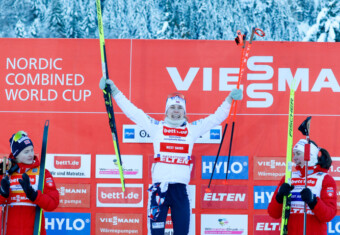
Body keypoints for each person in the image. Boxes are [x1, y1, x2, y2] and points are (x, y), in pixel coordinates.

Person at [100, 78, 243, 235]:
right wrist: (114, 91)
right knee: (156, 233)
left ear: (184, 112)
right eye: (172, 107)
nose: (176, 110)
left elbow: (216, 118)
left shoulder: (192, 129)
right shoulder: (156, 128)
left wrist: (230, 100)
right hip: (158, 192)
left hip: (180, 192)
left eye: (179, 108)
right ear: (166, 111)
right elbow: (133, 112)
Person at [268, 139, 337, 235]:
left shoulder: (325, 179)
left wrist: (313, 201)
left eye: (298, 153)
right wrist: (279, 197)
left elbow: (328, 215)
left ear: (310, 155)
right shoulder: (289, 177)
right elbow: (273, 213)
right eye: (294, 154)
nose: (294, 158)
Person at [0, 131, 59, 235]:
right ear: (16, 154)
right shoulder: (5, 172)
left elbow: (53, 203)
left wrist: (34, 195)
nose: (31, 154)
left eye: (32, 150)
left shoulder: (42, 173)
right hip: (8, 231)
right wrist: (3, 194)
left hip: (34, 231)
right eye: (26, 152)